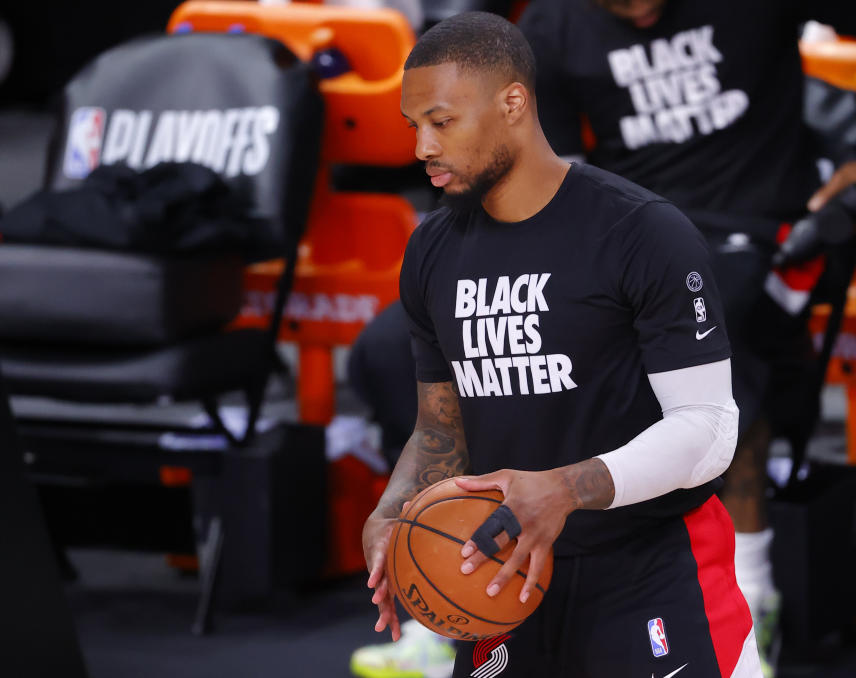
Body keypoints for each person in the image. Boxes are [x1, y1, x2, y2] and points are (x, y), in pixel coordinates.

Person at [351, 4, 856, 676]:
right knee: (379, 351)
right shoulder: (433, 250)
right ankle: (439, 624)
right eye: (415, 127)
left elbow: (708, 429)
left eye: (441, 124)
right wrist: (398, 512)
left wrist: (564, 487)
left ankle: (756, 590)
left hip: (649, 568)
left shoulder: (643, 232)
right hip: (508, 578)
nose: (422, 149)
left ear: (511, 104)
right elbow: (442, 427)